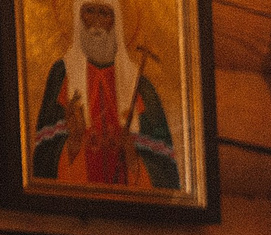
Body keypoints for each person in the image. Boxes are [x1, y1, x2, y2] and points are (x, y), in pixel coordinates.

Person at [32, 0, 178, 189]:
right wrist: (73, 142)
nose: (96, 22)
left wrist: (132, 157)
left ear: (116, 21)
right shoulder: (62, 75)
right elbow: (44, 159)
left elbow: (165, 170)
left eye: (104, 13)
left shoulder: (140, 86)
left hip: (128, 198)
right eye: (89, 11)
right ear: (78, 17)